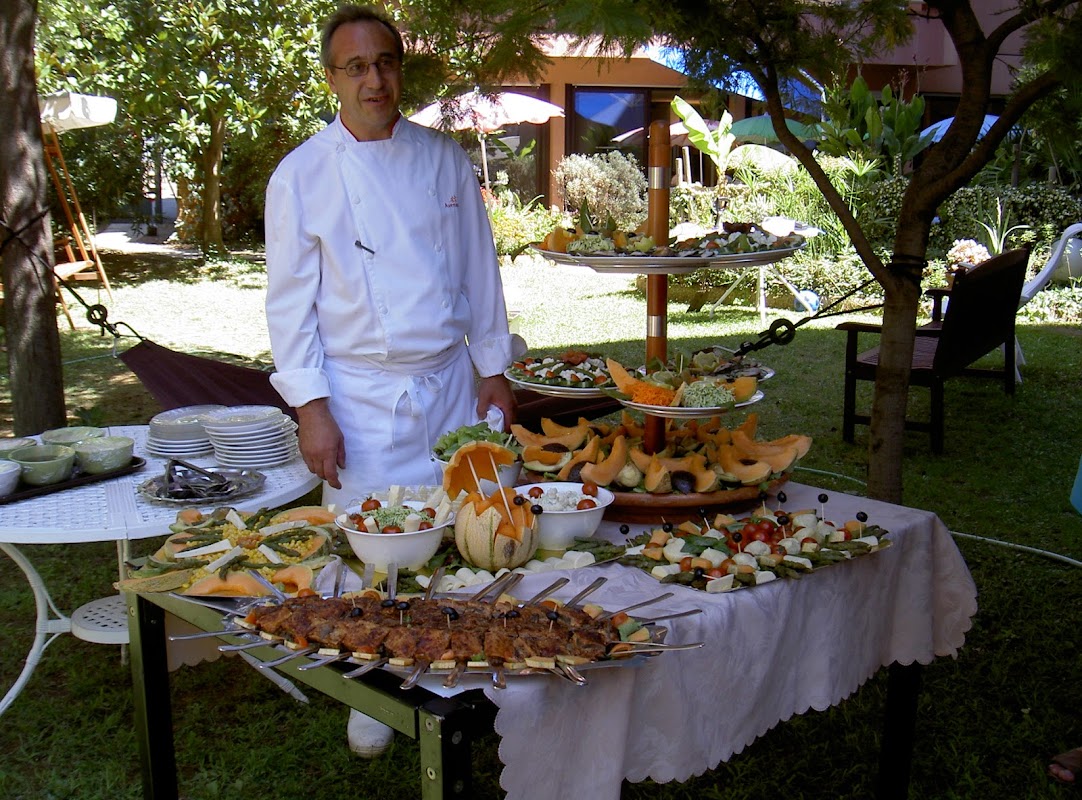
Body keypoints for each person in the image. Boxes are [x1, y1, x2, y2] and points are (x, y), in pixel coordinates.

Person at [263, 4, 519, 757]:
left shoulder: (442, 160)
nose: (373, 79)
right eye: (356, 66)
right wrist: (311, 408)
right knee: (370, 549)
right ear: (331, 77)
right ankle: (371, 687)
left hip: (444, 384)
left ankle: (453, 672)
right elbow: (290, 307)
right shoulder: (300, 176)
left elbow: (480, 269)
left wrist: (493, 370)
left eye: (385, 62)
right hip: (358, 395)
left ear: (399, 69)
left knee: (458, 537)